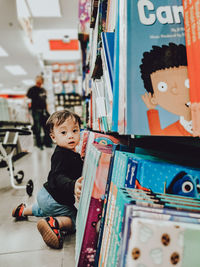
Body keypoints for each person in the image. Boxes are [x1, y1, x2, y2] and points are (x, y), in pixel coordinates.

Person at [12, 109, 84, 249]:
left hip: (45, 195)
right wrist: (72, 185)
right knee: (75, 219)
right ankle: (54, 223)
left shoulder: (69, 152)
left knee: (43, 208)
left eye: (75, 131)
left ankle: (23, 210)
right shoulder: (61, 155)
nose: (70, 136)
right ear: (53, 137)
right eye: (63, 132)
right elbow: (58, 176)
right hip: (56, 199)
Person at [140, 42, 192, 136]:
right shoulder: (171, 131)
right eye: (163, 87)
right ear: (153, 98)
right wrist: (152, 110)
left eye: (187, 82)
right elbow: (157, 135)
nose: (175, 90)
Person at [27, 75, 52, 149]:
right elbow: (28, 100)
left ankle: (47, 143)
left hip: (43, 111)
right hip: (36, 111)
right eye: (38, 79)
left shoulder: (43, 90)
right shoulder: (32, 89)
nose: (39, 81)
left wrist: (47, 110)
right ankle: (39, 144)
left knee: (46, 127)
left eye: (40, 80)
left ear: (42, 81)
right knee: (37, 128)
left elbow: (45, 101)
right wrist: (29, 111)